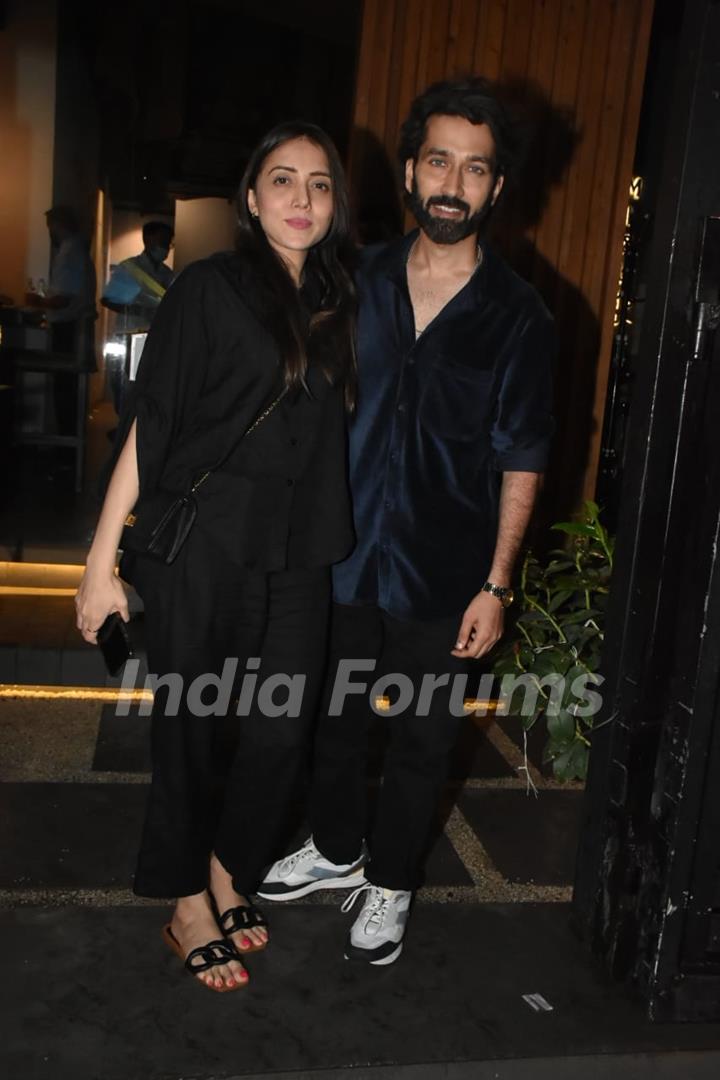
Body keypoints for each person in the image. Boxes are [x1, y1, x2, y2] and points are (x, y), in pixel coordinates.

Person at [259, 79, 556, 966]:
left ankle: (389, 882)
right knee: (333, 723)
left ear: (498, 187)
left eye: (475, 168)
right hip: (343, 556)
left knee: (424, 737)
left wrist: (497, 583)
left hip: (446, 572)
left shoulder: (523, 318)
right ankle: (338, 848)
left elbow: (524, 458)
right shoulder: (355, 283)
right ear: (411, 170)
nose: (453, 184)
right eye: (438, 161)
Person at [75, 121, 356, 992]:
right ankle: (187, 897)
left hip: (301, 550)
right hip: (205, 545)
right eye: (282, 179)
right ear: (249, 196)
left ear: (335, 202)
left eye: (318, 183)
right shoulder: (208, 289)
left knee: (280, 730)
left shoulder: (342, 300)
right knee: (191, 728)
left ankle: (234, 864)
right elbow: (151, 428)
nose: (301, 199)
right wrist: (99, 563)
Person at [27, 206, 97, 433]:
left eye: (51, 227)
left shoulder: (69, 252)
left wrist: (36, 302)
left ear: (58, 225)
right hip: (75, 327)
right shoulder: (78, 251)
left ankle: (64, 448)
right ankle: (68, 445)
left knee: (64, 391)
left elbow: (63, 299)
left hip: (68, 328)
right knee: (69, 391)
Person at [102, 221, 175, 333]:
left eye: (169, 243)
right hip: (130, 332)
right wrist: (140, 311)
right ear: (148, 239)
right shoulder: (128, 268)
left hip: (157, 333)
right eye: (163, 241)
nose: (166, 247)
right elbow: (108, 301)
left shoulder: (168, 273)